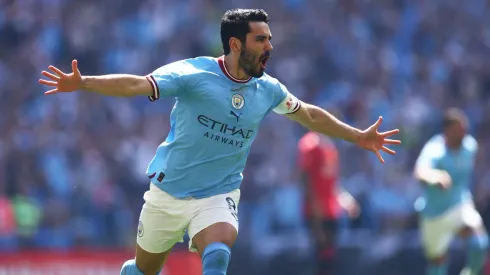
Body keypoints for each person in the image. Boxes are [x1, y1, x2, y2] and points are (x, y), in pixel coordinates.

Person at [38, 8, 401, 275]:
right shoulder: (193, 74)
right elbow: (137, 84)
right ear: (235, 43)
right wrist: (83, 82)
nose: (269, 46)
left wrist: (358, 136)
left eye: (270, 39)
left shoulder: (268, 89)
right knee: (143, 270)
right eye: (261, 39)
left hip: (218, 193)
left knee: (219, 249)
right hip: (169, 191)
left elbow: (308, 115)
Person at [414, 108, 488, 275]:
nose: (463, 134)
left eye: (465, 129)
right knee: (437, 264)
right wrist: (435, 177)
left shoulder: (470, 146)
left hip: (459, 205)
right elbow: (420, 171)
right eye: (459, 130)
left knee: (479, 244)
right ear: (447, 131)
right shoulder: (435, 149)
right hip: (434, 213)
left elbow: (475, 167)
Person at [298, 131, 359, 275]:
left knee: (330, 260)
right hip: (317, 215)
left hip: (331, 212)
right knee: (319, 260)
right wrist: (316, 220)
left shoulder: (330, 145)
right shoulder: (309, 144)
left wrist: (345, 199)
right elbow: (306, 182)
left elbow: (332, 183)